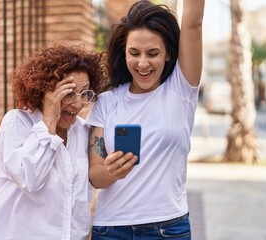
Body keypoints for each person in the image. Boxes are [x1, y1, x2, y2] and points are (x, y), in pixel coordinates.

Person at [86, 0, 205, 239]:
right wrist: (111, 171)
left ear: (168, 54)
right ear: (124, 53)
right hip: (110, 229)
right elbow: (95, 176)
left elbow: (193, 23)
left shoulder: (181, 89)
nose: (142, 63)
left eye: (152, 53)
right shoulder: (107, 102)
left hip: (167, 228)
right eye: (134, 53)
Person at [0, 43, 107, 240]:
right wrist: (49, 120)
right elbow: (30, 179)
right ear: (45, 91)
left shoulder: (82, 130)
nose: (78, 103)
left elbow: (80, 197)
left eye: (85, 93)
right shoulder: (17, 122)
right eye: (68, 93)